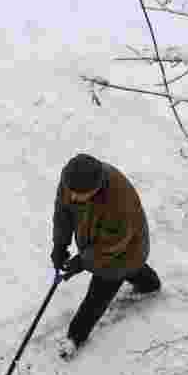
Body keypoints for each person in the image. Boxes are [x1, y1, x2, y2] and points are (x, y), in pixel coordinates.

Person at [51, 153, 161, 359]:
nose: (72, 197)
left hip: (124, 250)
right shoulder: (71, 180)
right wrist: (59, 245)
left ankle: (75, 336)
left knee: (99, 292)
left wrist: (83, 261)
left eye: (77, 196)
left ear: (95, 189)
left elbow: (114, 243)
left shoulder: (119, 201)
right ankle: (150, 284)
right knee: (135, 271)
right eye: (70, 192)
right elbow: (62, 212)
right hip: (98, 242)